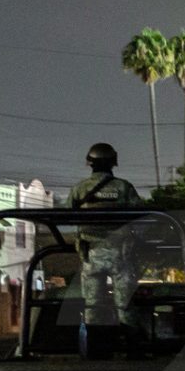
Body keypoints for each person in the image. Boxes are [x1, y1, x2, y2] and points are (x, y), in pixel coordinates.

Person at [70, 143, 145, 337]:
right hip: (121, 254)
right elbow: (141, 215)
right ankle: (132, 348)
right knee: (125, 306)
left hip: (91, 255)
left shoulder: (80, 189)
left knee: (92, 307)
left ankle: (96, 349)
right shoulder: (123, 187)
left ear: (90, 163)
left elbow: (66, 214)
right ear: (113, 162)